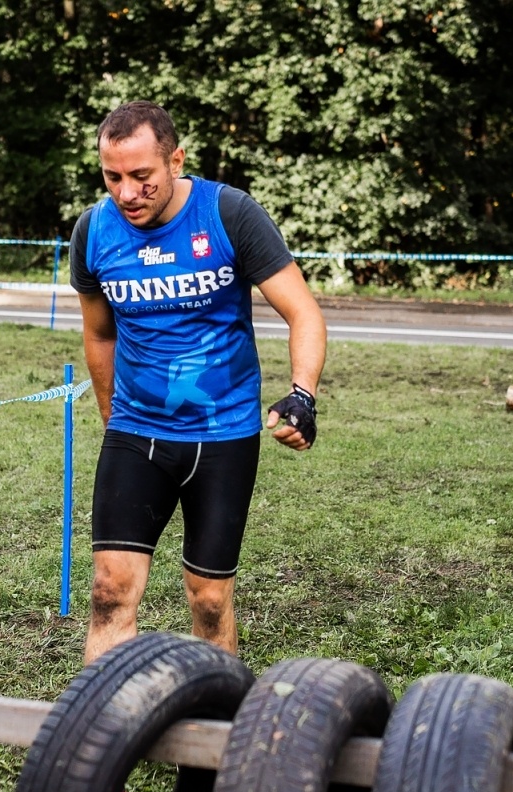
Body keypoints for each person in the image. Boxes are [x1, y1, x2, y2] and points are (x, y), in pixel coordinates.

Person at [71, 101, 327, 663]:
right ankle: (101, 742)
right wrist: (113, 417)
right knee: (109, 592)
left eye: (142, 176)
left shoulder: (229, 213)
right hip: (137, 433)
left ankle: (212, 741)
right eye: (113, 177)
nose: (126, 193)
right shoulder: (93, 232)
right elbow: (99, 334)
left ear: (176, 160)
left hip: (224, 437)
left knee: (208, 599)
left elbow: (303, 312)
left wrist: (302, 395)